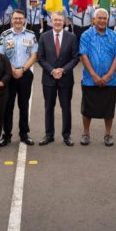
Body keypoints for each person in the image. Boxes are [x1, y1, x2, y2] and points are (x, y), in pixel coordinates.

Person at [79, 8, 116, 146]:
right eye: (100, 18)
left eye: (105, 18)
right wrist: (94, 75)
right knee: (87, 109)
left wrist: (109, 75)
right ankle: (86, 133)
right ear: (93, 20)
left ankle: (108, 134)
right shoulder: (86, 35)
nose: (103, 21)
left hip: (110, 81)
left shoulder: (114, 35)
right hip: (90, 80)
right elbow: (83, 55)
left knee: (108, 110)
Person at [36, 11, 80, 146]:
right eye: (55, 20)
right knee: (49, 107)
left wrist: (63, 70)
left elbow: (75, 58)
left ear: (64, 21)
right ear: (51, 21)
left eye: (60, 20)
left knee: (66, 107)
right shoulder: (44, 37)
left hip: (65, 79)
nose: (57, 22)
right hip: (49, 79)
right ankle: (49, 135)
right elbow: (40, 58)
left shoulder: (71, 37)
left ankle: (66, 135)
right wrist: (52, 70)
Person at [0, 9, 38, 146]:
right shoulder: (4, 35)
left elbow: (34, 55)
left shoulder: (31, 35)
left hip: (25, 74)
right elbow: (1, 56)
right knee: (7, 106)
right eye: (15, 18)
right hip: (9, 75)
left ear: (24, 20)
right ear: (11, 20)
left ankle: (24, 134)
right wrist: (13, 70)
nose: (18, 21)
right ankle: (6, 135)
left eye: (20, 18)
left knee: (24, 105)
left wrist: (22, 69)